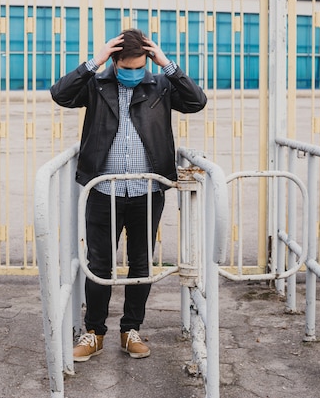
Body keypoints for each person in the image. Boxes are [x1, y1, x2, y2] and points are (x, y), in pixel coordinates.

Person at [50, 28, 207, 362]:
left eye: (140, 67)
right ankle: (94, 333)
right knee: (100, 264)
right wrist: (96, 61)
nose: (135, 74)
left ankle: (130, 330)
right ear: (116, 62)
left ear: (147, 61)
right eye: (128, 67)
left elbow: (196, 101)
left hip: (146, 189)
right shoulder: (98, 83)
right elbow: (61, 95)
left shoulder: (160, 85)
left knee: (140, 263)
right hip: (102, 189)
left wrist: (166, 64)